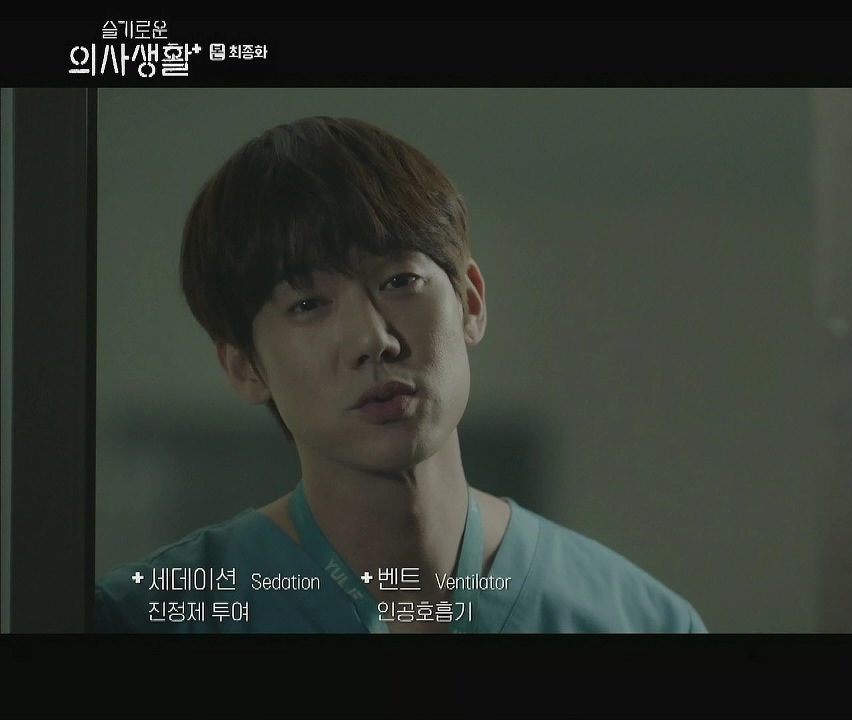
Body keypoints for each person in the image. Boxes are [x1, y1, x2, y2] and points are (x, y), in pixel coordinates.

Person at [94, 116, 707, 633]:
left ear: (470, 301)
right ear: (245, 367)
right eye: (307, 305)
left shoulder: (636, 621)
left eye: (399, 281)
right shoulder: (146, 619)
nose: (373, 340)